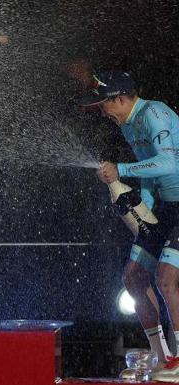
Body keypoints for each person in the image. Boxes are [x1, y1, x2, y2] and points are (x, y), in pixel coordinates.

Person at [80, 70, 179, 381]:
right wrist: (142, 208)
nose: (102, 113)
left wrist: (120, 169)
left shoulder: (154, 113)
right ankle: (163, 357)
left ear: (119, 99)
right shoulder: (128, 124)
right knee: (134, 277)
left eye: (103, 106)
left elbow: (168, 163)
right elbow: (150, 174)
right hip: (166, 206)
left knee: (166, 278)